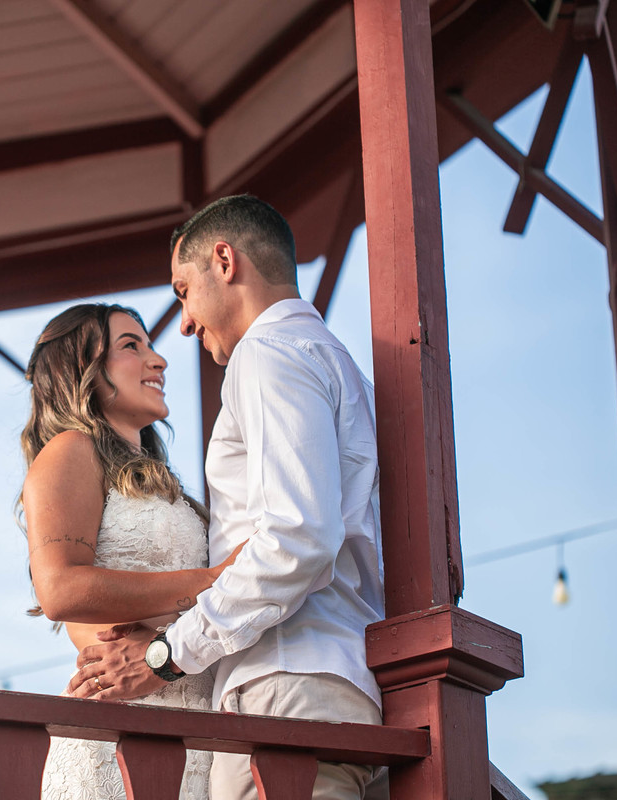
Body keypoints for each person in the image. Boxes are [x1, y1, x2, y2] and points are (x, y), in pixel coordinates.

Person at [66, 195, 387, 800]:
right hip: (341, 683)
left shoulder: (267, 355)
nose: (182, 323)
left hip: (284, 689)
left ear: (224, 260)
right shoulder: (343, 369)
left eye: (183, 290)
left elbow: (298, 538)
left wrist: (165, 656)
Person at [19, 303, 242, 800]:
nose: (158, 359)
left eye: (150, 345)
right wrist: (213, 582)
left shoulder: (170, 489)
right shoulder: (70, 450)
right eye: (130, 346)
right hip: (123, 723)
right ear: (82, 370)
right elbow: (60, 589)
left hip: (197, 719)